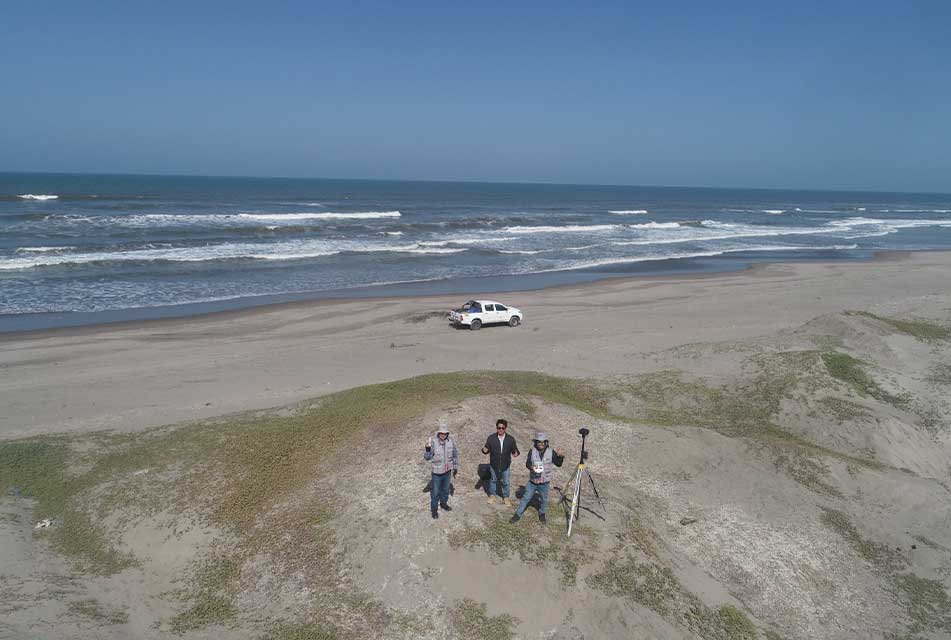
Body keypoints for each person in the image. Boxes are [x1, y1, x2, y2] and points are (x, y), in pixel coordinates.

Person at [510, 432, 564, 524]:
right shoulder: (532, 451)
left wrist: (561, 456)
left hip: (544, 482)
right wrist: (531, 467)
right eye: (539, 442)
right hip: (533, 481)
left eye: (543, 442)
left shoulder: (551, 452)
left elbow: (558, 464)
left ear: (546, 442)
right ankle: (517, 514)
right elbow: (527, 463)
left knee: (544, 499)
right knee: (525, 497)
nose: (541, 444)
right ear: (536, 442)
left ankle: (542, 513)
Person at [481, 418, 520, 506]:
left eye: (502, 428)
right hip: (494, 465)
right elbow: (486, 450)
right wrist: (484, 450)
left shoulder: (510, 439)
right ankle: (492, 496)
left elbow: (516, 451)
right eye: (499, 428)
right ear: (496, 428)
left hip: (506, 465)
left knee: (506, 482)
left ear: (505, 428)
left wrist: (516, 453)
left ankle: (506, 497)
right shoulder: (491, 438)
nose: (501, 430)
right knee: (493, 480)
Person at [424, 422, 458, 519]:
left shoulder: (451, 442)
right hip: (437, 474)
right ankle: (434, 510)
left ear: (447, 434)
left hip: (447, 472)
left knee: (446, 490)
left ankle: (443, 504)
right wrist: (427, 449)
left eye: (445, 433)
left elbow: (455, 455)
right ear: (438, 433)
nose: (443, 435)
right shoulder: (433, 443)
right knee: (435, 492)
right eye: (441, 433)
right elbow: (427, 458)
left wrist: (455, 468)